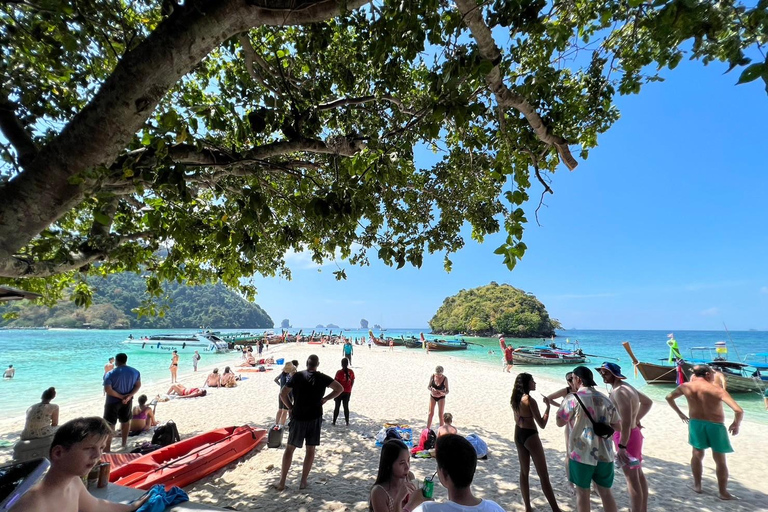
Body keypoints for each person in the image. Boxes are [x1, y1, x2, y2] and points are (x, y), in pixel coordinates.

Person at [9, 417, 149, 512]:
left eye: (101, 448)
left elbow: (96, 505)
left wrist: (132, 506)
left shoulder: (74, 483)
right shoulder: (32, 504)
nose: (97, 456)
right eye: (89, 448)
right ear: (58, 453)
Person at [666, 364, 743, 500]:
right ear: (707, 374)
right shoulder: (717, 390)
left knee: (697, 454)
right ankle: (723, 492)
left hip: (696, 424)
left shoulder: (686, 386)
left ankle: (697, 486)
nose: (714, 376)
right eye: (712, 374)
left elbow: (669, 397)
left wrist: (680, 413)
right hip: (715, 426)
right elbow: (738, 410)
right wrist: (736, 424)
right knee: (720, 460)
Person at [556, 366, 621, 512]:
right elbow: (618, 426)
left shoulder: (572, 399)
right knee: (605, 492)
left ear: (578, 379)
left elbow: (560, 422)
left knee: (582, 493)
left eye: (572, 378)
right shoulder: (605, 398)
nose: (571, 382)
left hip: (581, 454)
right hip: (605, 453)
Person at [276, 354, 343, 490]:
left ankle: (282, 482)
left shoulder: (298, 376)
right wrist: (325, 399)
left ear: (307, 364)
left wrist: (290, 407)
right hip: (314, 417)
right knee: (310, 450)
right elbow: (339, 389)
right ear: (317, 364)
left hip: (298, 416)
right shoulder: (323, 377)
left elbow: (283, 393)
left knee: (290, 449)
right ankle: (303, 482)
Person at [596, 362, 653, 512]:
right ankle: (642, 509)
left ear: (614, 374)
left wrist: (622, 446)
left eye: (606, 373)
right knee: (638, 475)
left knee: (632, 479)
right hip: (633, 435)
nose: (602, 375)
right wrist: (637, 419)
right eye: (601, 372)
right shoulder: (628, 387)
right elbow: (647, 402)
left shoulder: (619, 392)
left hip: (626, 437)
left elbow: (626, 422)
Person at [409, 434, 505, 512]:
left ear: (445, 474)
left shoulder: (427, 509)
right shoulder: (494, 508)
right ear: (473, 469)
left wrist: (410, 505)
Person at [511, 373, 562, 512]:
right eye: (532, 381)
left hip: (518, 433)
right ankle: (555, 509)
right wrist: (548, 407)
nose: (535, 383)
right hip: (530, 435)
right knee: (543, 475)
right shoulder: (529, 400)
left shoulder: (515, 398)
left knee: (524, 472)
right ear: (527, 384)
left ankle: (527, 507)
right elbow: (542, 423)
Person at [103, 353, 141, 452]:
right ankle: (124, 444)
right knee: (125, 421)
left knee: (110, 424)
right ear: (125, 360)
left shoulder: (110, 373)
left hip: (112, 401)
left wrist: (120, 396)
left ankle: (107, 448)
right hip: (127, 401)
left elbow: (108, 389)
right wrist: (129, 395)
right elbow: (138, 385)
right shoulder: (135, 372)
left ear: (116, 361)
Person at [545, 372, 577, 487]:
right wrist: (562, 407)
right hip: (569, 425)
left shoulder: (583, 390)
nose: (571, 381)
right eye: (569, 379)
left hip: (582, 425)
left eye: (573, 378)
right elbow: (548, 399)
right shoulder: (567, 391)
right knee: (569, 454)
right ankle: (570, 483)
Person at [369, 439, 420, 512]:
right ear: (389, 465)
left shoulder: (409, 477)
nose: (407, 466)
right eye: (402, 463)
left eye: (408, 460)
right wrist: (398, 500)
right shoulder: (379, 492)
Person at [333, 357, 355, 426]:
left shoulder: (339, 372)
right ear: (347, 364)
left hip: (339, 391)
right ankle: (347, 422)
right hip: (348, 391)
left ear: (341, 364)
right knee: (346, 407)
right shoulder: (351, 372)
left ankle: (334, 421)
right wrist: (350, 387)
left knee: (337, 407)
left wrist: (334, 392)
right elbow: (352, 380)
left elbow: (335, 382)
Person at [274, 361, 297, 426]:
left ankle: (276, 424)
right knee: (285, 411)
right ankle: (282, 426)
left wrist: (280, 385)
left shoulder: (282, 374)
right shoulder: (291, 375)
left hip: (281, 393)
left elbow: (275, 379)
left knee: (280, 409)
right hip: (288, 394)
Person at [426, 366, 449, 430]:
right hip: (432, 396)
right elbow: (428, 386)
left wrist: (443, 393)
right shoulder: (432, 376)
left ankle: (441, 430)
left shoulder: (445, 379)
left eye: (440, 374)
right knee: (430, 413)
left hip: (441, 397)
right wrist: (432, 389)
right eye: (437, 374)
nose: (438, 376)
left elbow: (447, 391)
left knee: (441, 414)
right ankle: (427, 429)